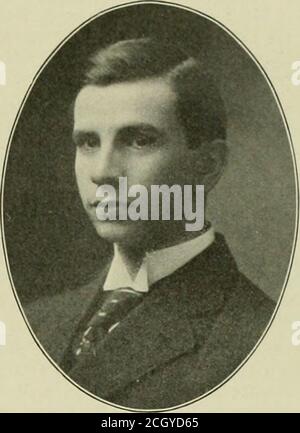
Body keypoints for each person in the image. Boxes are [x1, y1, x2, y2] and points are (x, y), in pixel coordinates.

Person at [25, 38, 275, 409]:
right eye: (88, 142)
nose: (102, 172)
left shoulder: (257, 341)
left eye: (139, 140)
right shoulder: (35, 321)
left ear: (207, 165)